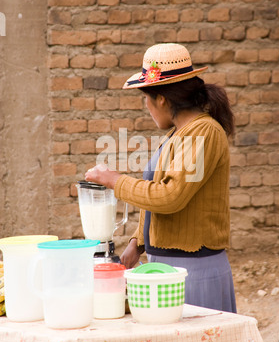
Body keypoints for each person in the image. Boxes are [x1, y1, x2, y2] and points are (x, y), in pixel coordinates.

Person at [85, 43, 237, 313]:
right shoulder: (178, 134)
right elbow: (160, 191)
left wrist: (114, 180)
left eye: (146, 98)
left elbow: (170, 196)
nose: (147, 106)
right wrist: (137, 242)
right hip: (169, 267)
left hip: (193, 272)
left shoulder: (203, 134)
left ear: (162, 99)